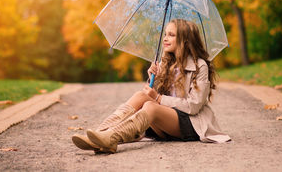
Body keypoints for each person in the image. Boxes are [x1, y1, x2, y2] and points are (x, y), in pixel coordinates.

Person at [71, 19, 230, 154]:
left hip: (191, 124)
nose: (165, 38)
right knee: (141, 96)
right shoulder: (165, 63)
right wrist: (153, 78)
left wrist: (158, 98)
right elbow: (151, 95)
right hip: (165, 121)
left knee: (150, 105)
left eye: (172, 35)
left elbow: (193, 106)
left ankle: (112, 138)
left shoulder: (199, 66)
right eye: (166, 34)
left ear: (185, 41)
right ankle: (101, 134)